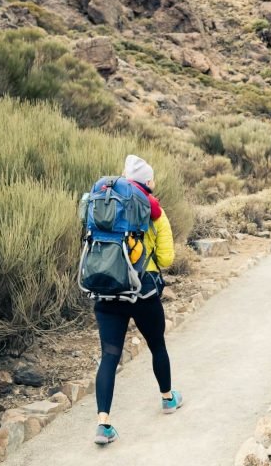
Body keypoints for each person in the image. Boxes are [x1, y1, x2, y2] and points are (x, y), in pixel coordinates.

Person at [92, 155, 182, 445]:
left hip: (106, 289)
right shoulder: (155, 212)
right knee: (157, 345)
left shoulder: (103, 203)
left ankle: (103, 424)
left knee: (109, 355)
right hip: (142, 291)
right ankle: (168, 399)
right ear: (148, 183)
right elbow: (167, 259)